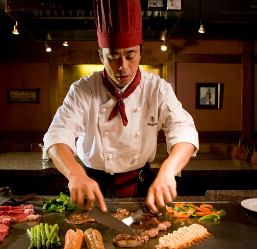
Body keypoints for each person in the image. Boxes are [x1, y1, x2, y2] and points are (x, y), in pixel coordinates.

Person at [43, 0, 199, 213]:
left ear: (140, 53)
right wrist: (75, 174)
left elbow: (184, 130)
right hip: (91, 188)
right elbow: (57, 135)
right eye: (113, 56)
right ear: (101, 56)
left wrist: (168, 171)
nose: (123, 66)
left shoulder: (157, 89)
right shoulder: (83, 89)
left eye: (130, 55)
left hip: (142, 187)